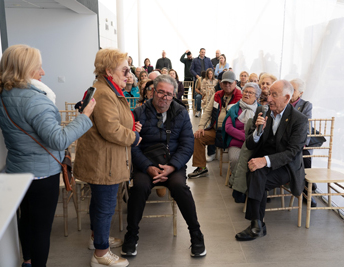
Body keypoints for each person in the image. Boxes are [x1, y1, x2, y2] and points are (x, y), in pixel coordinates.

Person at [0, 44, 95, 267]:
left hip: (16, 170)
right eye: (38, 67)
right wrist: (85, 115)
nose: (43, 72)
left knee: (26, 219)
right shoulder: (36, 100)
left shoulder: (1, 95)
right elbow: (58, 140)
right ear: (25, 69)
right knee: (41, 230)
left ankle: (28, 261)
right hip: (41, 174)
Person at [122, 75, 206, 258]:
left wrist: (173, 166)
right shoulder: (139, 113)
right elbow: (132, 145)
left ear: (174, 94)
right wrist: (147, 167)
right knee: (140, 187)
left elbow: (187, 144)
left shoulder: (181, 112)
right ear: (153, 91)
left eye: (169, 94)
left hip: (172, 162)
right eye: (160, 92)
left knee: (180, 187)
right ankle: (131, 235)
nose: (164, 97)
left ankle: (196, 234)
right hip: (146, 162)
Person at [73, 48, 142, 267]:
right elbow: (110, 129)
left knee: (99, 203)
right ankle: (101, 254)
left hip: (104, 158)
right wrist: (134, 137)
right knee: (105, 206)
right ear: (109, 70)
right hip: (104, 162)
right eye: (125, 69)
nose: (128, 74)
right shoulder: (104, 92)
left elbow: (113, 120)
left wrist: (131, 125)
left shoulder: (106, 88)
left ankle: (97, 239)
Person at [235, 80, 308, 241]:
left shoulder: (299, 120)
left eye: (274, 95)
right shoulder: (263, 111)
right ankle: (257, 224)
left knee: (256, 175)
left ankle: (257, 225)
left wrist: (265, 161)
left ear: (287, 97)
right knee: (257, 173)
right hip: (263, 163)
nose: (268, 99)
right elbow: (250, 143)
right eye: (269, 95)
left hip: (286, 167)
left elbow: (292, 152)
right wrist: (257, 132)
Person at [189, 71, 242, 178]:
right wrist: (200, 127)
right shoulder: (217, 95)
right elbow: (207, 112)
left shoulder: (240, 97)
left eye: (230, 83)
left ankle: (236, 174)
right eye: (225, 83)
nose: (227, 85)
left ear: (235, 83)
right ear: (221, 83)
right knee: (198, 137)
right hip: (215, 130)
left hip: (231, 134)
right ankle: (201, 168)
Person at [222, 83, 260, 174]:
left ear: (256, 97)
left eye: (250, 92)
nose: (247, 94)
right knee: (235, 158)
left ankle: (250, 182)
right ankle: (236, 182)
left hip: (255, 145)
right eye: (245, 91)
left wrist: (252, 140)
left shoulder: (260, 110)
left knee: (258, 160)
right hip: (237, 143)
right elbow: (228, 127)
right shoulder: (234, 108)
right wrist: (246, 138)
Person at [289, 78, 316, 207]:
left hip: (299, 141)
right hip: (286, 141)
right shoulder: (283, 101)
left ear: (301, 93)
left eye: (293, 90)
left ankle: (307, 191)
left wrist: (301, 144)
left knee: (305, 155)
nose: (289, 92)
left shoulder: (306, 105)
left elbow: (306, 128)